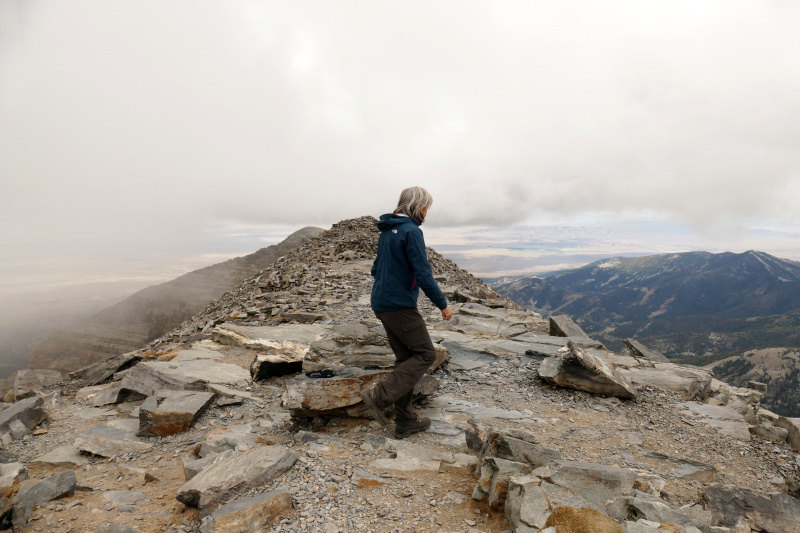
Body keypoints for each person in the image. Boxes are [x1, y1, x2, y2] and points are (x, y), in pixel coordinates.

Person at [360, 186, 454, 439]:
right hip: (399, 305)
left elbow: (376, 269)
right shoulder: (412, 231)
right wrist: (442, 304)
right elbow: (423, 272)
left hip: (381, 302)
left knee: (405, 360)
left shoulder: (387, 230)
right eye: (426, 207)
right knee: (425, 354)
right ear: (417, 206)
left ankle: (405, 421)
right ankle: (378, 395)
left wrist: (392, 281)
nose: (426, 212)